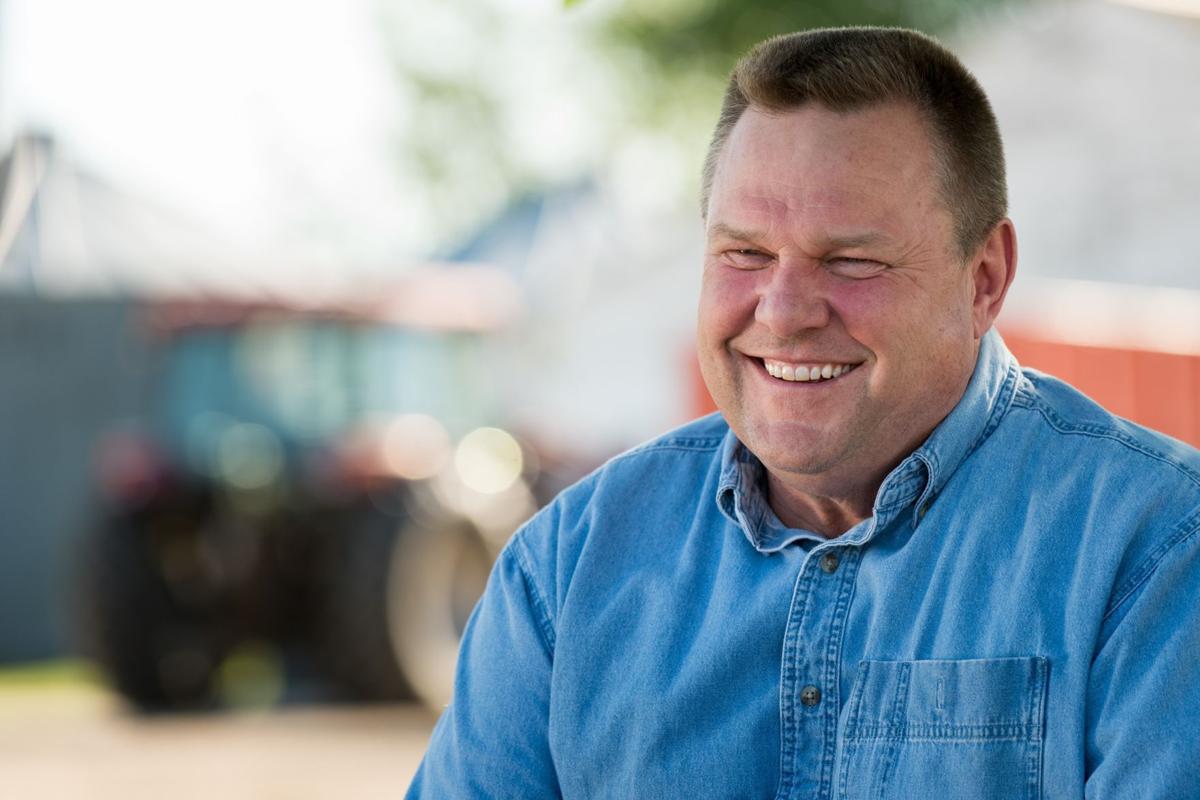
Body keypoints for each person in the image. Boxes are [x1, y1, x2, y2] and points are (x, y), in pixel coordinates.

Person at [407, 27, 1200, 799]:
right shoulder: (566, 569)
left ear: (984, 278)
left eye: (851, 260)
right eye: (744, 254)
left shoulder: (1155, 551)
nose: (783, 312)